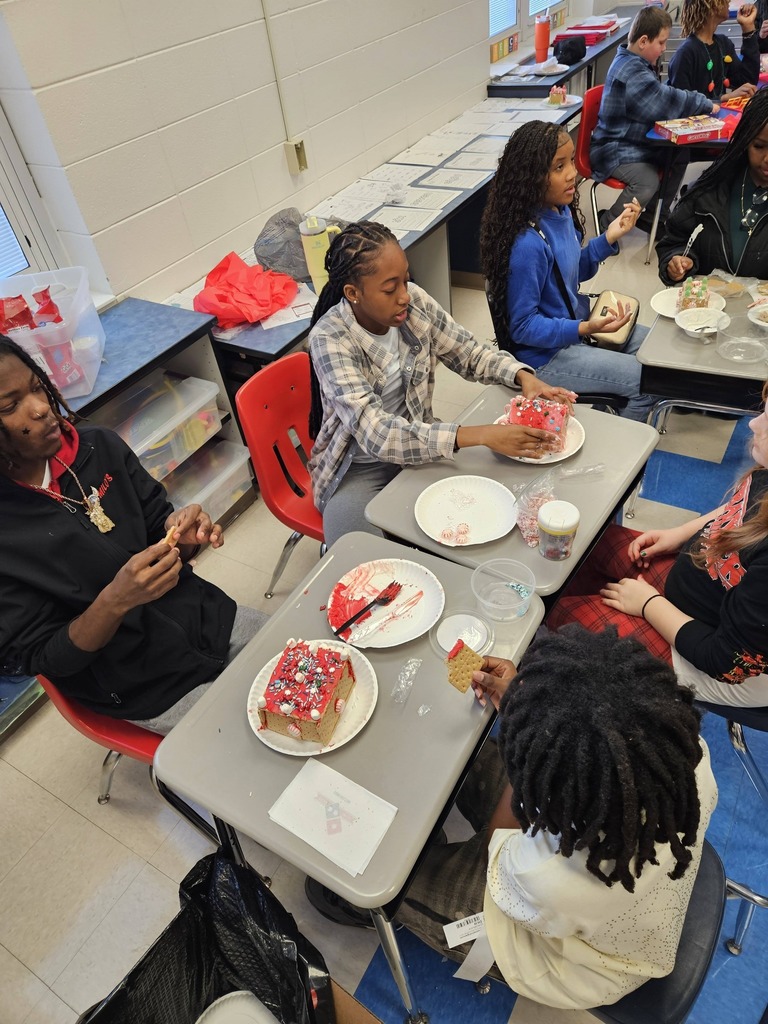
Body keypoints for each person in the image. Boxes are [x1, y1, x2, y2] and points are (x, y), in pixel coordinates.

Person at [310, 625, 718, 1010]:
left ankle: (361, 904)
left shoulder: (550, 880)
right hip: (596, 872)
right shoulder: (686, 751)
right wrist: (530, 703)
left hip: (567, 958)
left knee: (385, 881)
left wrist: (525, 741)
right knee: (464, 764)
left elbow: (498, 844)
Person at [0, 336, 267, 733]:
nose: (41, 409)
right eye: (10, 406)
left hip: (205, 618)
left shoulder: (98, 448)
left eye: (38, 387)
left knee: (316, 667)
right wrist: (115, 602)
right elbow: (47, 659)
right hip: (140, 682)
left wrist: (183, 537)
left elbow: (159, 526)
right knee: (253, 751)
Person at [307, 220, 577, 546]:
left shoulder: (415, 303)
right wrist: (479, 435)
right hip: (360, 471)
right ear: (353, 293)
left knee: (480, 519)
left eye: (406, 280)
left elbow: (469, 352)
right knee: (362, 558)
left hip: (422, 449)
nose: (405, 296)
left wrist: (523, 377)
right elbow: (377, 433)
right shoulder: (330, 338)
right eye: (390, 289)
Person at [546, 382, 768, 706]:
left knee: (566, 611)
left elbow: (726, 662)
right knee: (587, 547)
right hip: (706, 595)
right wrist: (680, 533)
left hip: (720, 662)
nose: (753, 423)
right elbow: (742, 506)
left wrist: (649, 605)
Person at [480, 119, 655, 422]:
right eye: (558, 167)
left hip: (574, 329)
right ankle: (620, 454)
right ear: (530, 177)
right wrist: (583, 329)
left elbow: (570, 273)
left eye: (571, 160)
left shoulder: (559, 212)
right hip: (545, 357)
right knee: (648, 383)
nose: (573, 173)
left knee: (656, 349)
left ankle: (606, 415)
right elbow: (522, 327)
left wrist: (610, 236)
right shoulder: (528, 245)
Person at [591, 7, 718, 229]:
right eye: (661, 43)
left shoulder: (634, 62)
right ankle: (607, 225)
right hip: (613, 149)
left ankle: (653, 216)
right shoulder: (631, 71)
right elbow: (662, 100)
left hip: (630, 141)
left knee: (679, 153)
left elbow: (659, 94)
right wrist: (703, 103)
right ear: (643, 42)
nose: (663, 48)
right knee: (646, 181)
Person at [656, 87, 768, 282]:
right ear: (745, 142)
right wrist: (678, 260)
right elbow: (674, 241)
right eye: (759, 146)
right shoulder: (708, 191)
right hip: (711, 308)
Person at [668, 0, 759, 100]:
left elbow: (747, 83)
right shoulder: (686, 54)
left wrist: (748, 28)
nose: (729, 1)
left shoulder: (724, 44)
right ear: (710, 4)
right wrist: (724, 99)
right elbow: (682, 104)